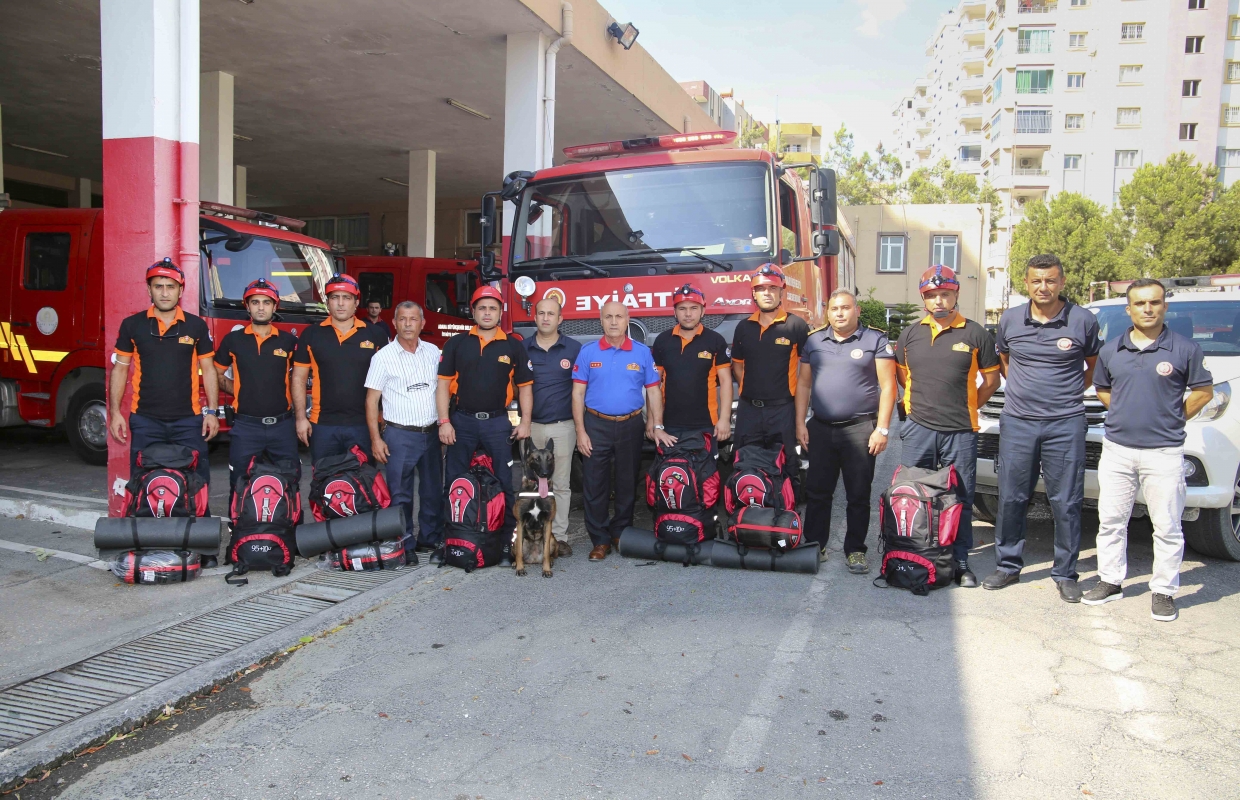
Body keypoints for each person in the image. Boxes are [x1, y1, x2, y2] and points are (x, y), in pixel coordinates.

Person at [1084, 279, 1213, 622]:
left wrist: (1171, 417)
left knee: (1167, 525)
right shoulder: (1112, 350)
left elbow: (1203, 391)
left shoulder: (1184, 349)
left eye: (1154, 302)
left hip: (1164, 451)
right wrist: (1126, 414)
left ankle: (1164, 591)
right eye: (1139, 303)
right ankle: (1111, 581)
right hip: (1117, 449)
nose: (1147, 309)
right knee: (1111, 520)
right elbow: (1103, 389)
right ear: (1129, 309)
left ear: (1164, 306)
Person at [986, 255, 1102, 602]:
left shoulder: (1082, 320)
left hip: (1064, 423)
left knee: (1065, 500)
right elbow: (1005, 360)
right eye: (1037, 281)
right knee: (1010, 496)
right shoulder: (1010, 319)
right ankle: (1007, 566)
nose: (1043, 287)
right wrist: (1025, 390)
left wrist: (1066, 395)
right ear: (1027, 282)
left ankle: (1066, 572)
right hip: (1018, 421)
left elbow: (1094, 367)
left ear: (1062, 282)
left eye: (1050, 280)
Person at [894, 265, 1001, 588]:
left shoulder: (975, 333)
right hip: (919, 430)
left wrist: (968, 406)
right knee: (912, 496)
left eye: (945, 294)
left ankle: (960, 561)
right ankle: (914, 554)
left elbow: (992, 381)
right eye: (932, 295)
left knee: (961, 497)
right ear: (923, 298)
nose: (939, 300)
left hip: (960, 431)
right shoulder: (910, 334)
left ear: (956, 294)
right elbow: (904, 378)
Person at [795, 288, 897, 572]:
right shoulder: (814, 341)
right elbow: (803, 384)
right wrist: (799, 423)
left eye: (845, 308)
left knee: (858, 494)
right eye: (834, 309)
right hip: (821, 428)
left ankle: (856, 550)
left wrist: (883, 429)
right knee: (817, 491)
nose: (839, 313)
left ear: (857, 311)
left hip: (860, 429)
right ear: (828, 312)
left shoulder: (874, 339)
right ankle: (816, 545)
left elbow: (889, 387)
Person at [109, 257, 219, 492]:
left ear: (181, 290)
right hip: (145, 421)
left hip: (189, 422)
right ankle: (146, 528)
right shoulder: (132, 325)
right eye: (158, 286)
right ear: (149, 289)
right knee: (142, 485)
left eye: (171, 287)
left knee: (197, 484)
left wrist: (211, 412)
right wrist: (115, 413)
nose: (165, 293)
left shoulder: (196, 326)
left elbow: (209, 370)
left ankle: (197, 528)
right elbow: (120, 369)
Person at [437, 286, 533, 552]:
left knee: (504, 482)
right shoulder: (456, 343)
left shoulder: (513, 345)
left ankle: (505, 543)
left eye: (492, 308)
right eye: (482, 308)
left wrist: (525, 422)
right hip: (461, 423)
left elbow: (525, 387)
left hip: (497, 423)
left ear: (500, 312)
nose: (487, 313)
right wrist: (444, 421)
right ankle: (451, 541)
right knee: (454, 482)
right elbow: (443, 385)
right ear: (473, 310)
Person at [573, 301, 670, 562]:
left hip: (630, 425)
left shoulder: (641, 353)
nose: (613, 321)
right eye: (608, 317)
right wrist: (580, 432)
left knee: (627, 482)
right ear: (601, 321)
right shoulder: (587, 352)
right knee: (594, 485)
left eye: (618, 316)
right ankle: (600, 540)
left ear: (628, 320)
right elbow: (578, 393)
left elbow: (653, 391)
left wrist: (655, 423)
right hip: (595, 425)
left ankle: (620, 531)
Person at [365, 301, 443, 561]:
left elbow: (444, 390)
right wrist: (376, 439)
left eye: (413, 319)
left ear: (422, 323)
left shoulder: (434, 352)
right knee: (400, 494)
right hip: (399, 435)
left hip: (431, 433)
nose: (408, 324)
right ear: (395, 323)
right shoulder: (382, 357)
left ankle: (429, 539)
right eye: (402, 319)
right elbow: (371, 401)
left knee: (432, 490)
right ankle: (404, 543)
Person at [213, 279, 301, 492]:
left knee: (289, 482)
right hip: (245, 427)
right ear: (247, 306)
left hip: (282, 427)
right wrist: (239, 391)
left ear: (275, 306)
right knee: (239, 483)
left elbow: (298, 378)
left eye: (266, 302)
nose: (261, 307)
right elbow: (214, 373)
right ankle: (237, 525)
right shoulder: (233, 340)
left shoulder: (288, 341)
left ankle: (291, 525)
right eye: (255, 302)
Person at [292, 274, 389, 462]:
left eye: (347, 298)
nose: (341, 303)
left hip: (364, 424)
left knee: (364, 483)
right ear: (327, 302)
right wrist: (300, 418)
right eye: (335, 297)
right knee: (324, 484)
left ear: (356, 302)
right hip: (322, 424)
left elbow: (388, 379)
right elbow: (298, 379)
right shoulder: (311, 334)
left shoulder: (376, 334)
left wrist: (383, 415)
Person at [730, 264, 809, 487]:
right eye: (761, 289)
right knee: (744, 464)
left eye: (772, 289)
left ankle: (786, 514)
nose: (767, 293)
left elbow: (806, 374)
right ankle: (748, 516)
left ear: (781, 292)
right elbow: (738, 367)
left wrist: (799, 418)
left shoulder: (797, 326)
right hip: (748, 412)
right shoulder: (743, 327)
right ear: (753, 293)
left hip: (783, 411)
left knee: (787, 466)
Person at [525, 297, 582, 557]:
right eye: (541, 313)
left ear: (560, 319)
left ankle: (558, 537)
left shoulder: (574, 349)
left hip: (563, 427)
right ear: (534, 317)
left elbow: (582, 389)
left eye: (551, 314)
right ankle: (530, 535)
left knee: (560, 485)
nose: (546, 318)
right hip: (531, 427)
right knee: (530, 484)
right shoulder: (522, 348)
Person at [649, 283, 732, 454]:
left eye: (694, 308)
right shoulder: (662, 341)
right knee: (671, 477)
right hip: (669, 425)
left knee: (706, 477)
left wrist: (724, 419)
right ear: (674, 312)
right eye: (682, 308)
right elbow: (653, 385)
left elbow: (726, 382)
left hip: (706, 424)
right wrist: (652, 421)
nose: (688, 314)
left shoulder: (715, 341)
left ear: (703, 311)